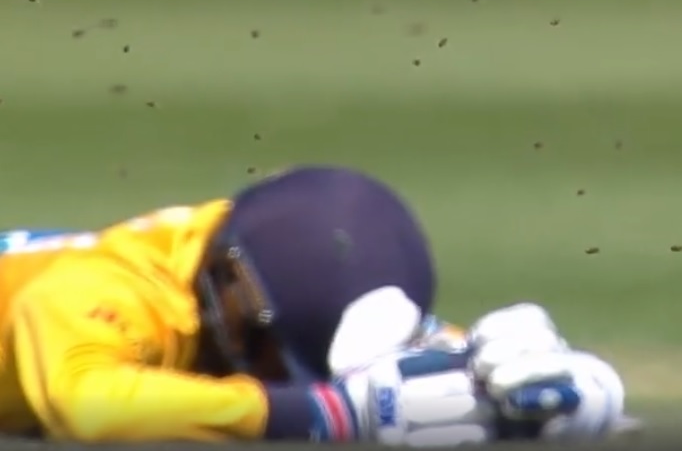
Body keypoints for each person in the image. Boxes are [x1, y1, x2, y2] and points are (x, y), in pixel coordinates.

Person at [0, 165, 623, 443]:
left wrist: (550, 396)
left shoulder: (264, 268)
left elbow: (401, 377)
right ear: (230, 295)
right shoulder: (99, 292)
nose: (281, 375)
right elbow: (90, 408)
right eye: (276, 354)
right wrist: (328, 413)